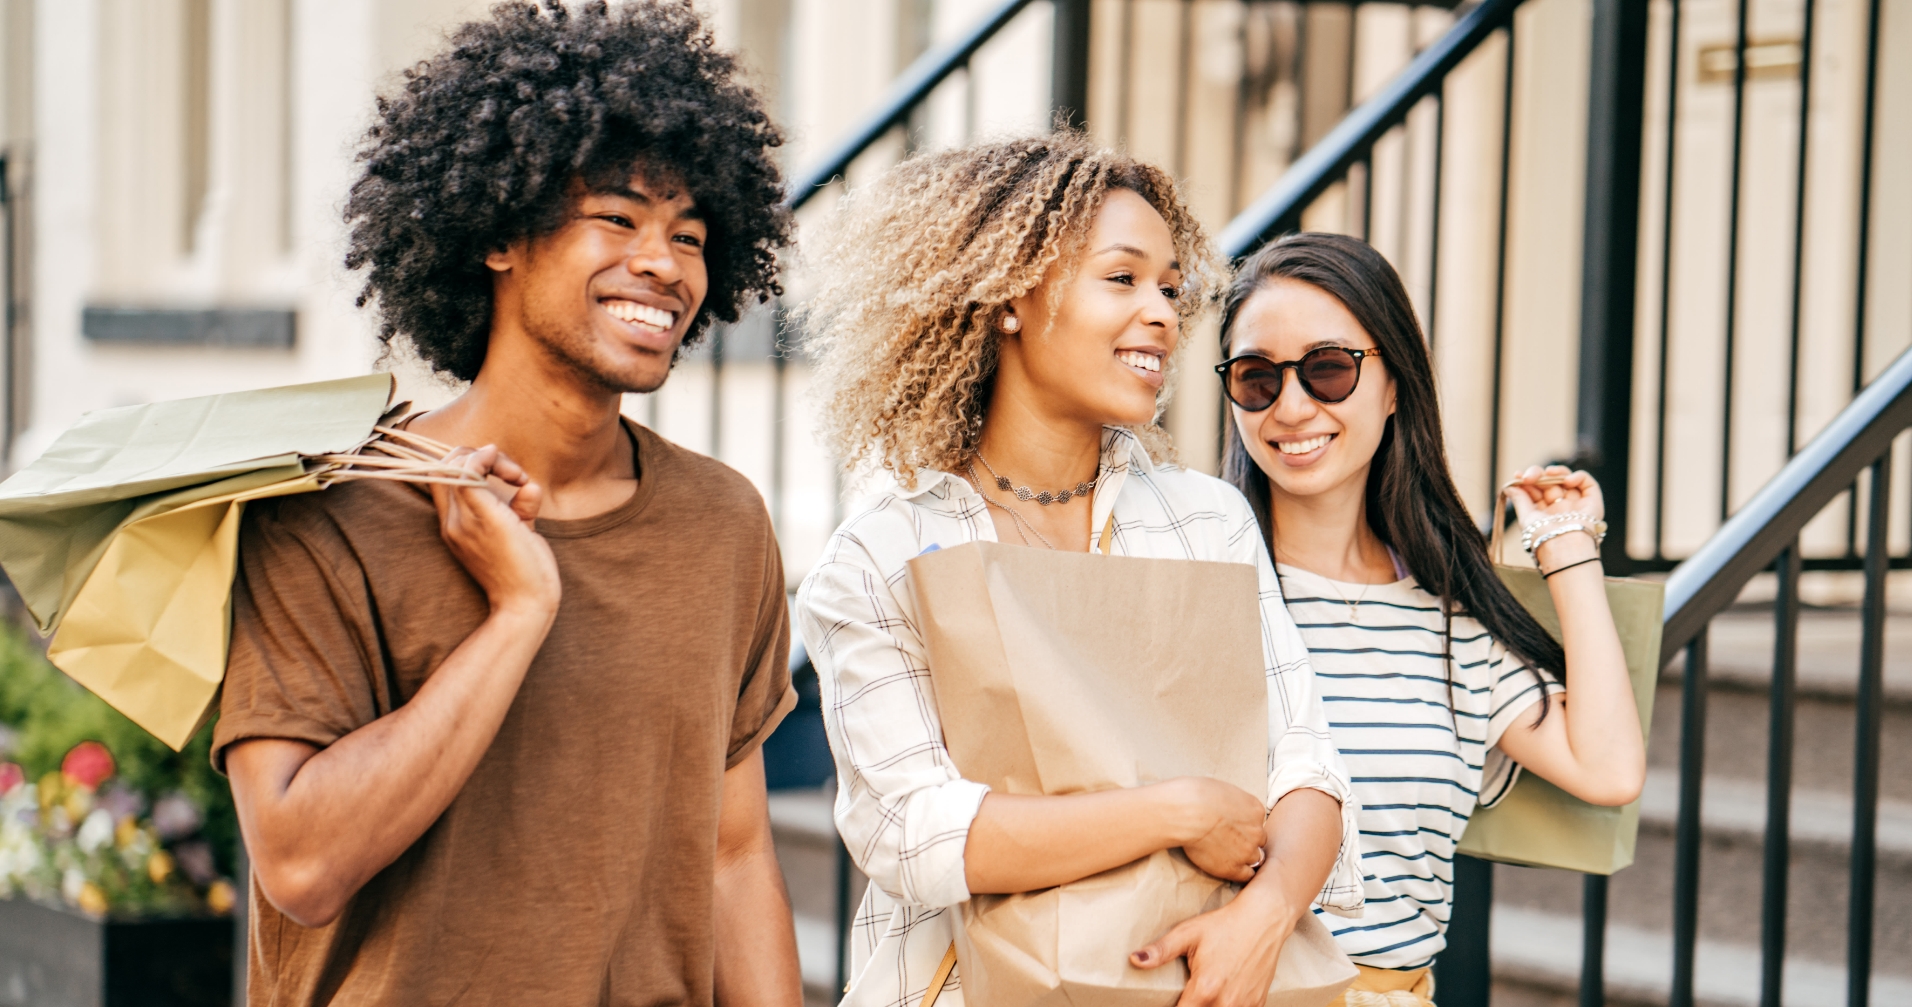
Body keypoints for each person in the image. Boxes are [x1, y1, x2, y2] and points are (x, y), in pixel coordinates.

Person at [214, 4, 802, 1004]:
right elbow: (301, 865)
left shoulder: (723, 522)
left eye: (690, 235)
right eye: (616, 220)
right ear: (498, 237)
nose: (663, 264)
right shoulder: (328, 511)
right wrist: (519, 612)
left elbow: (733, 855)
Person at [795, 134, 1365, 1007]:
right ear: (1008, 298)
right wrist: (1176, 811)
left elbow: (1306, 766)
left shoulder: (1204, 519)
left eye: (1172, 287)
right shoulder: (882, 554)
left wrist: (1265, 919)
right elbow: (915, 832)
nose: (1166, 314)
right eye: (1123, 278)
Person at [1216, 233, 1647, 1003]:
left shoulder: (1450, 622)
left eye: (1327, 369)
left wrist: (1569, 550)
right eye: (1256, 378)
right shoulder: (1202, 583)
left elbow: (1609, 769)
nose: (1291, 406)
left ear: (1393, 385)